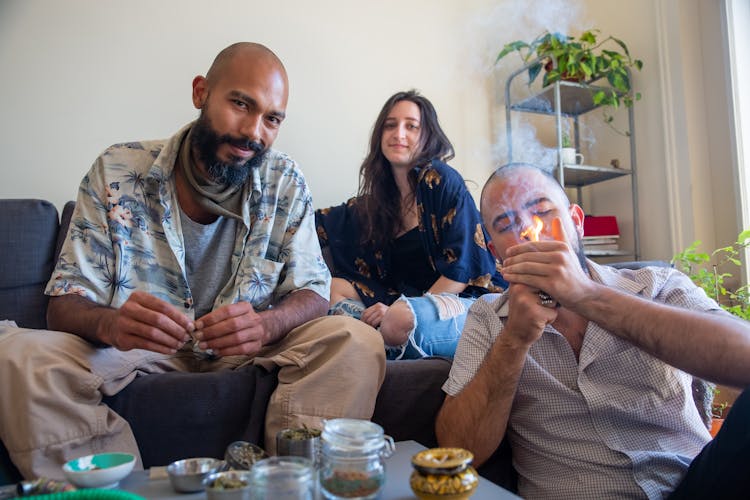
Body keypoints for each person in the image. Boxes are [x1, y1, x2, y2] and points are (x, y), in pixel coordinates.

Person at [0, 42, 386, 479]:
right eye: (241, 104)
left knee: (356, 341)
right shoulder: (116, 170)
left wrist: (265, 325)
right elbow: (63, 302)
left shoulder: (286, 181)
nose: (253, 133)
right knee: (18, 355)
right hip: (135, 353)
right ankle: (113, 490)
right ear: (201, 92)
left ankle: (291, 484)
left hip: (248, 351)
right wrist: (111, 324)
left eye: (271, 119)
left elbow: (313, 291)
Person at [436, 163, 750, 499]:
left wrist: (587, 295)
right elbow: (458, 450)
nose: (531, 231)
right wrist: (514, 341)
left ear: (576, 221)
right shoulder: (488, 317)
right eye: (507, 225)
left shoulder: (657, 286)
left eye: (541, 211)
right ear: (497, 253)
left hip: (695, 486)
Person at [316, 90, 505, 360]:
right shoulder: (378, 202)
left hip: (463, 302)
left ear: (427, 135)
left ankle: (378, 342)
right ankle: (377, 340)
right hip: (406, 303)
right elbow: (317, 223)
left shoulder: (440, 180)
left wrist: (405, 309)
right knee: (332, 286)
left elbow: (460, 274)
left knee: (400, 318)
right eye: (390, 125)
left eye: (411, 126)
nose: (398, 134)